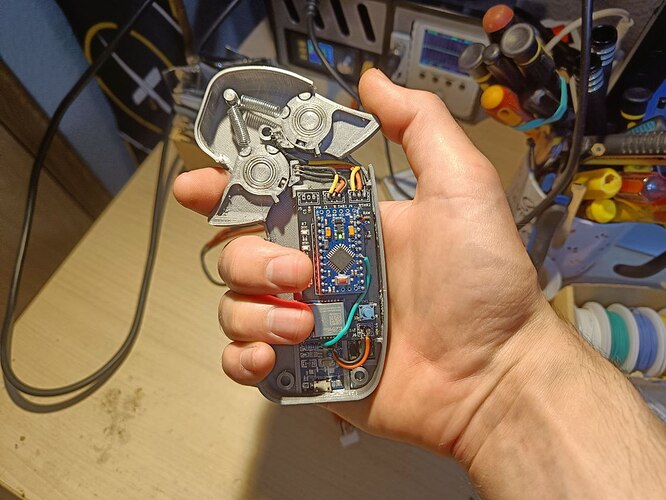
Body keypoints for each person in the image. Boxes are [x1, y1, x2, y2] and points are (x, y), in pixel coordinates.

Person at [174, 69, 666, 498]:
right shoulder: (320, 186)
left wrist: (504, 369)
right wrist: (504, 382)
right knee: (285, 293)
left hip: (366, 340)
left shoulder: (339, 184)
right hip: (346, 338)